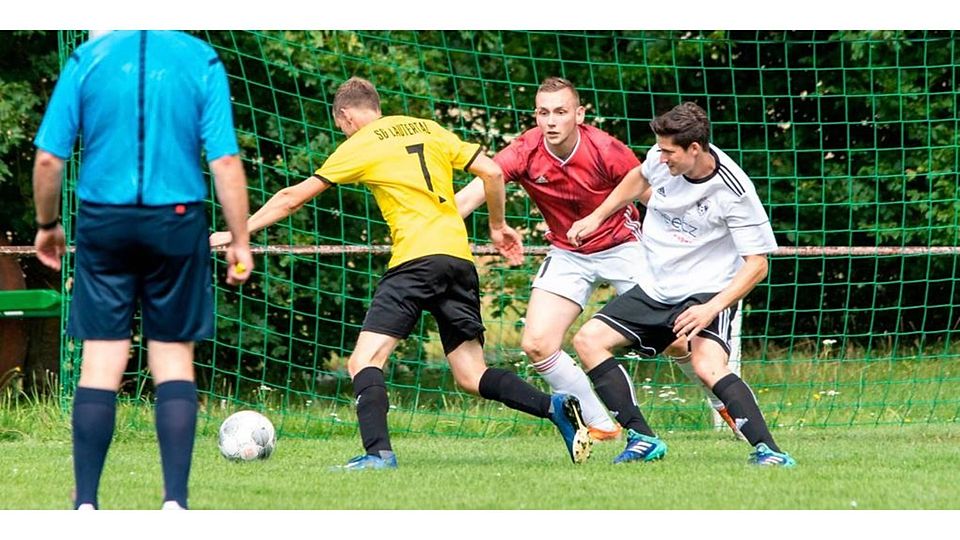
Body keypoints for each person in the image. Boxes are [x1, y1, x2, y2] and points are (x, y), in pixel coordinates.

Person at [210, 76, 592, 469]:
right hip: (458, 260)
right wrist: (497, 226)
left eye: (341, 126)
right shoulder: (428, 127)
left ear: (346, 116)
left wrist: (235, 232)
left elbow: (291, 199)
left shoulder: (361, 143)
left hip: (416, 260)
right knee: (471, 374)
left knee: (364, 361)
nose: (343, 131)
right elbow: (493, 173)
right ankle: (554, 407)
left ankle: (378, 454)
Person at [32, 30, 253, 510]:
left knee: (101, 361)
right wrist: (240, 240)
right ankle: (174, 503)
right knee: (173, 359)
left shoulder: (86, 58)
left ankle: (86, 503)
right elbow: (226, 160)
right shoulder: (201, 59)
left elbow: (49, 158)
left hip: (103, 221)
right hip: (176, 220)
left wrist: (47, 224)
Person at [455, 77, 745, 441]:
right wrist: (435, 231)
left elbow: (651, 194)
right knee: (537, 343)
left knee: (677, 338)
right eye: (544, 113)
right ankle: (601, 424)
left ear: (579, 114)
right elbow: (467, 198)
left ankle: (724, 403)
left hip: (624, 245)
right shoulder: (523, 151)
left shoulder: (606, 149)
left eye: (561, 112)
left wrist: (696, 237)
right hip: (568, 251)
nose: (551, 121)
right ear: (535, 116)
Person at [566, 101, 796, 466]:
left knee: (707, 365)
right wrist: (596, 217)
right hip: (659, 285)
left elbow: (757, 265)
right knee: (588, 341)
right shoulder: (661, 159)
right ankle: (642, 438)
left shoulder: (734, 191)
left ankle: (769, 451)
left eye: (669, 151)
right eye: (659, 149)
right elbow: (638, 178)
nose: (661, 157)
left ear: (695, 149)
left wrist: (709, 308)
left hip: (707, 289)